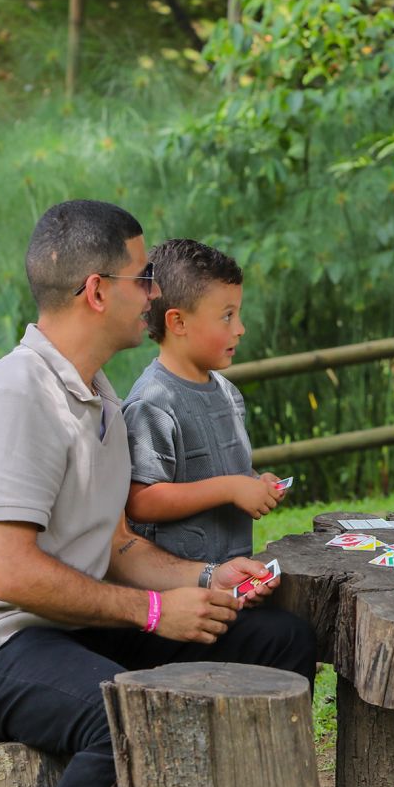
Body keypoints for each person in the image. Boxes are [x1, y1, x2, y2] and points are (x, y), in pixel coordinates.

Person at [0, 200, 317, 787]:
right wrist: (154, 609)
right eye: (144, 276)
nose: (156, 292)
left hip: (70, 628)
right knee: (119, 715)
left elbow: (119, 543)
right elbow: (11, 573)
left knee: (278, 641)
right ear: (97, 291)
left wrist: (204, 576)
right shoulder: (17, 395)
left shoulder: (99, 396)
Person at [122, 238, 286, 569]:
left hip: (232, 578)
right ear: (178, 322)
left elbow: (225, 471)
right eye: (227, 316)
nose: (240, 329)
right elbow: (140, 501)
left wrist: (253, 483)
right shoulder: (152, 403)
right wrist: (229, 488)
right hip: (178, 594)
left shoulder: (228, 393)